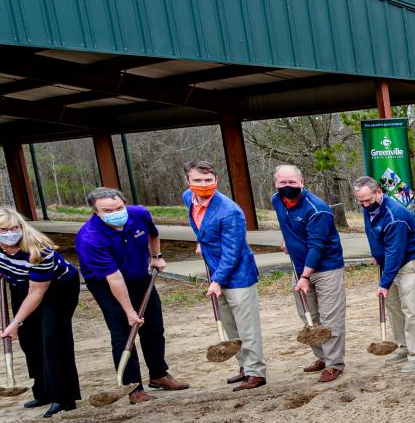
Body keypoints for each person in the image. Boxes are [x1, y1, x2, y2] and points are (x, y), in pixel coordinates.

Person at [77, 187, 187, 404]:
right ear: (95, 212)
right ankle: (133, 386)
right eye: (108, 210)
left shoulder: (138, 213)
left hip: (139, 274)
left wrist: (157, 256)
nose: (116, 212)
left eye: (119, 207)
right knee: (123, 332)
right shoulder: (89, 238)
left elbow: (153, 234)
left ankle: (159, 374)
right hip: (106, 283)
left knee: (154, 326)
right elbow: (114, 278)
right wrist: (129, 311)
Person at [0, 208, 80, 417]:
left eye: (15, 227)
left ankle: (63, 398)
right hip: (20, 283)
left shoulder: (39, 251)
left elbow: (36, 293)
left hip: (57, 289)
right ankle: (43, 392)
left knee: (53, 339)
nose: (10, 232)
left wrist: (15, 322)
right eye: (2, 229)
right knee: (29, 339)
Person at [183, 161, 266, 390]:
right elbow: (199, 225)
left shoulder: (230, 211)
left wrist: (217, 281)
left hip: (238, 273)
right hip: (215, 269)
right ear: (188, 182)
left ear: (216, 181)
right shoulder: (187, 198)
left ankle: (256, 372)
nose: (203, 185)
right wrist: (201, 241)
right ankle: (243, 366)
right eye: (197, 180)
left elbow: (233, 251)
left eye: (208, 180)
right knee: (231, 326)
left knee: (247, 327)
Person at [271, 164, 346, 383]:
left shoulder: (317, 209)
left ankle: (335, 364)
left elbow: (317, 246)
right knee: (309, 316)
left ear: (302, 183)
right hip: (299, 266)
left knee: (330, 318)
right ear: (276, 183)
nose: (287, 186)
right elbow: (287, 224)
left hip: (326, 268)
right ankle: (322, 357)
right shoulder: (277, 201)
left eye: (292, 182)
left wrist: (305, 277)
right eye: (283, 183)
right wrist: (288, 239)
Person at [355, 176, 415, 372]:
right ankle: (404, 346)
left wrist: (384, 283)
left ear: (379, 192)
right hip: (390, 263)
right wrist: (375, 254)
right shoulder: (369, 209)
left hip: (411, 263)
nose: (365, 205)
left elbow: (395, 253)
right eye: (360, 201)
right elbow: (373, 233)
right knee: (394, 307)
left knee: (411, 309)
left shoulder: (394, 215)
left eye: (368, 200)